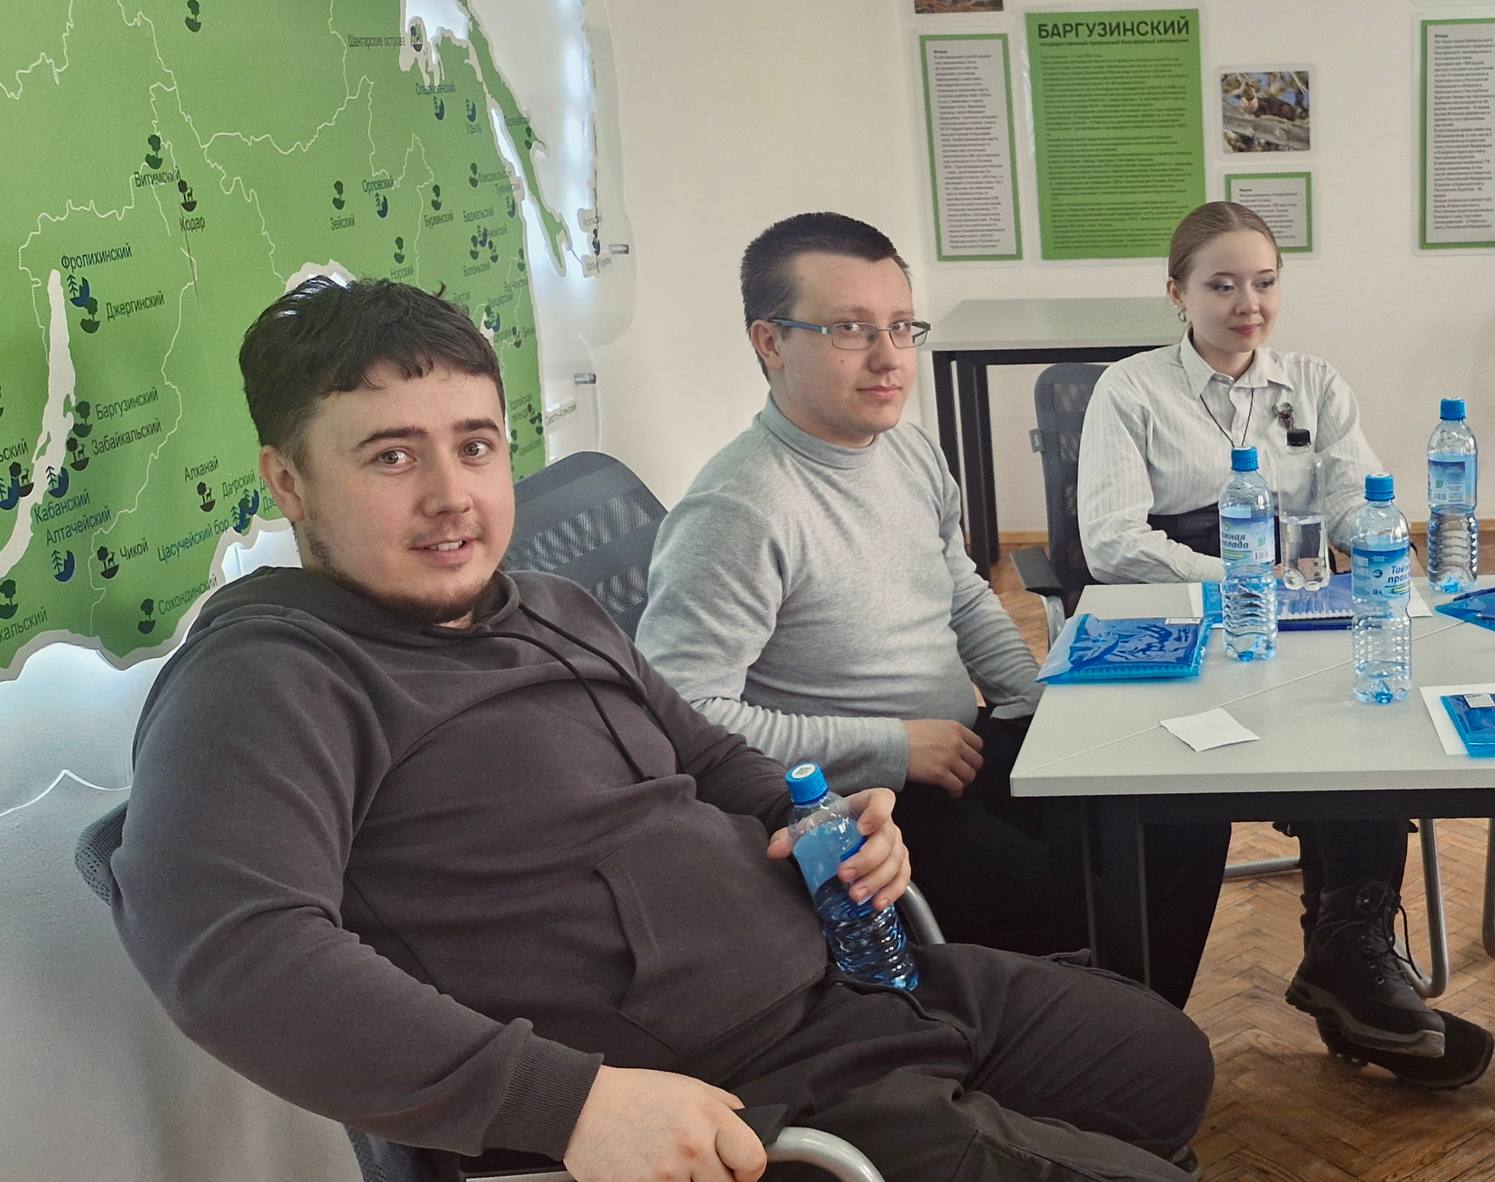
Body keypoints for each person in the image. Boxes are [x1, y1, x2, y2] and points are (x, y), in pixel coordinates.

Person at [111, 277, 1214, 1182]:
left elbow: (709, 753)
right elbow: (235, 955)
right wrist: (568, 1105)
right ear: (289, 481)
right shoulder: (269, 680)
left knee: (1164, 1066)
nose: (453, 496)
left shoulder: (546, 606)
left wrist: (819, 814)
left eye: (476, 446)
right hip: (723, 1100)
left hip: (848, 987)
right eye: (392, 457)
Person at [635, 213, 1231, 1004]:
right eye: (850, 329)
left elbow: (962, 592)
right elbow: (682, 721)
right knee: (1098, 894)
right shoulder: (739, 510)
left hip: (957, 750)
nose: (889, 358)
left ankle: (1136, 1028)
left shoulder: (905, 448)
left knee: (1184, 814)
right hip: (864, 812)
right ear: (770, 342)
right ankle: (1100, 1034)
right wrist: (891, 746)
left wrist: (1037, 705)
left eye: (900, 327)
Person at [1077, 200, 1492, 1087]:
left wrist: (1373, 538)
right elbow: (1112, 542)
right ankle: (1132, 1035)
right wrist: (1243, 578)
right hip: (1182, 618)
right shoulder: (1131, 390)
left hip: (1304, 611)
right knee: (1180, 783)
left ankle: (1350, 954)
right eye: (1221, 285)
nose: (1248, 305)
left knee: (1371, 725)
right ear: (1177, 293)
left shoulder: (1314, 383)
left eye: (1264, 283)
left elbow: (1350, 495)